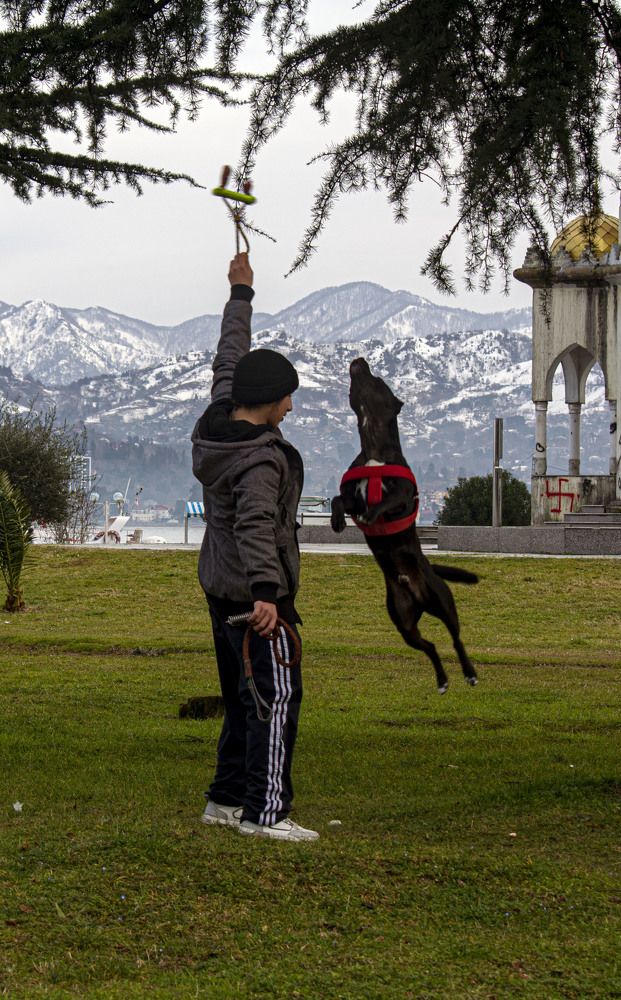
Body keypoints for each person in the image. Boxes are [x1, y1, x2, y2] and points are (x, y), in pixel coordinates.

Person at [191, 251, 318, 842]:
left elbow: (229, 359)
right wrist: (269, 595)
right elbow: (256, 527)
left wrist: (240, 295)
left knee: (242, 699)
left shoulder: (220, 418)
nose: (291, 407)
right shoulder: (260, 459)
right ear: (269, 401)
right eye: (287, 397)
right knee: (274, 696)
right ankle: (265, 814)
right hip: (253, 598)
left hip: (220, 588)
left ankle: (225, 799)